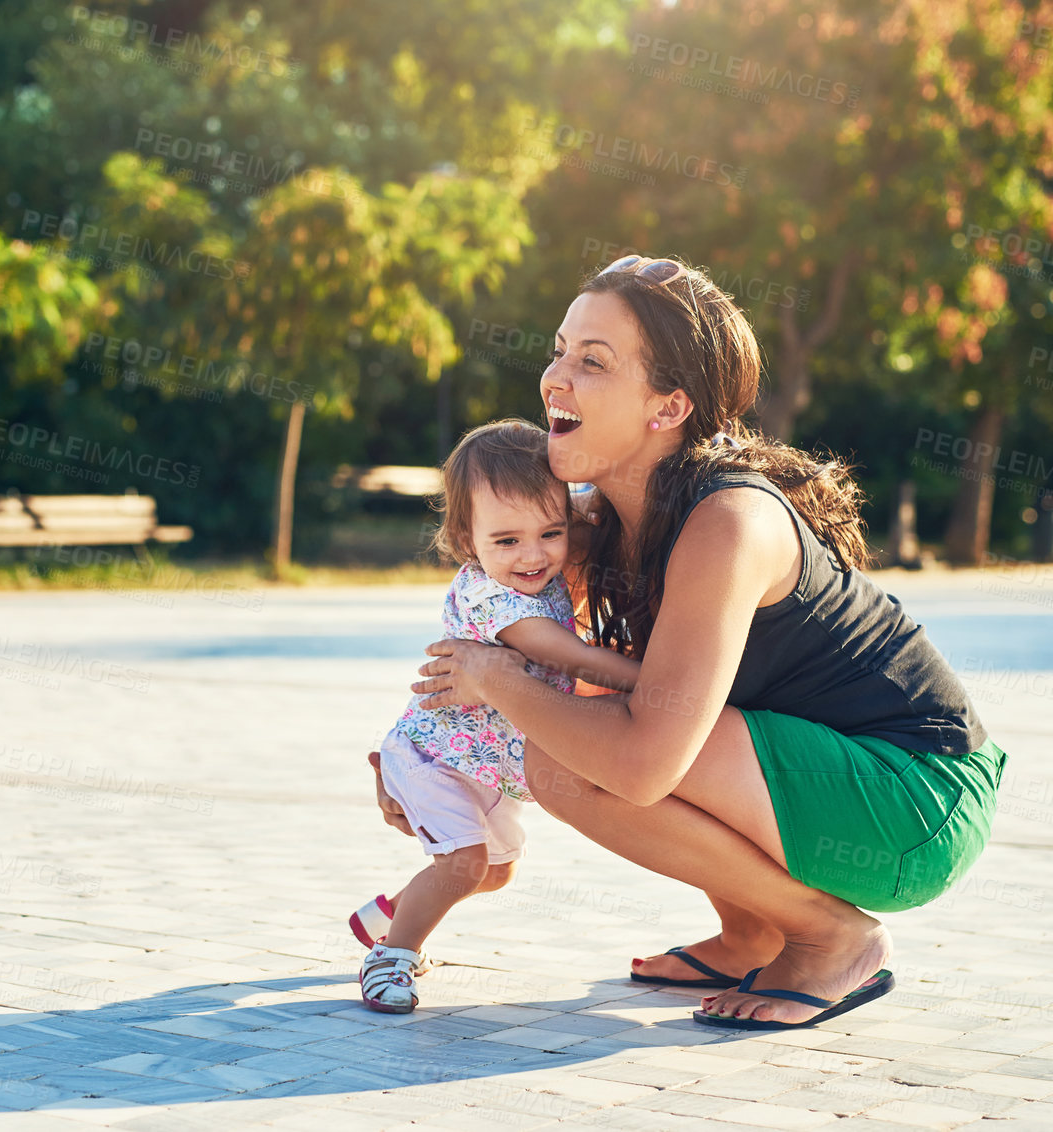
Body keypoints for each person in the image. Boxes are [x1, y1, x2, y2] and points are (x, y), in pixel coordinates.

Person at [391, 255, 1008, 1030]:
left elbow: (644, 765)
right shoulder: (594, 525)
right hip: (836, 782)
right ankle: (752, 930)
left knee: (593, 744)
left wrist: (493, 678)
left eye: (593, 361)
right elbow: (501, 630)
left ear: (669, 405)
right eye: (558, 351)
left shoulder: (728, 522)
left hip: (919, 800)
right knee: (597, 712)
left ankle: (828, 937)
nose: (555, 377)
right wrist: (422, 762)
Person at [353, 419, 643, 1014]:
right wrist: (666, 684)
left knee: (494, 873)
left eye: (550, 532)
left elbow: (596, 506)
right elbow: (572, 657)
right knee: (464, 863)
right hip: (435, 756)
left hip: (487, 768)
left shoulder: (538, 553)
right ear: (467, 539)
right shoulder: (494, 598)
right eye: (507, 541)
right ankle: (390, 958)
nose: (533, 556)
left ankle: (387, 914)